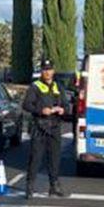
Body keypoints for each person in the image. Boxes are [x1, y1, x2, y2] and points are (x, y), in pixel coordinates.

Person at [22, 58, 67, 198]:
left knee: (54, 158)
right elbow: (26, 105)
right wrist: (41, 110)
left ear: (53, 71)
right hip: (39, 126)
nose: (47, 72)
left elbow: (66, 105)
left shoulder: (58, 87)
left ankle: (54, 186)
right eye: (45, 70)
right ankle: (29, 187)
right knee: (36, 157)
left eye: (49, 69)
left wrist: (63, 110)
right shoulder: (35, 86)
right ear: (42, 71)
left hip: (55, 126)